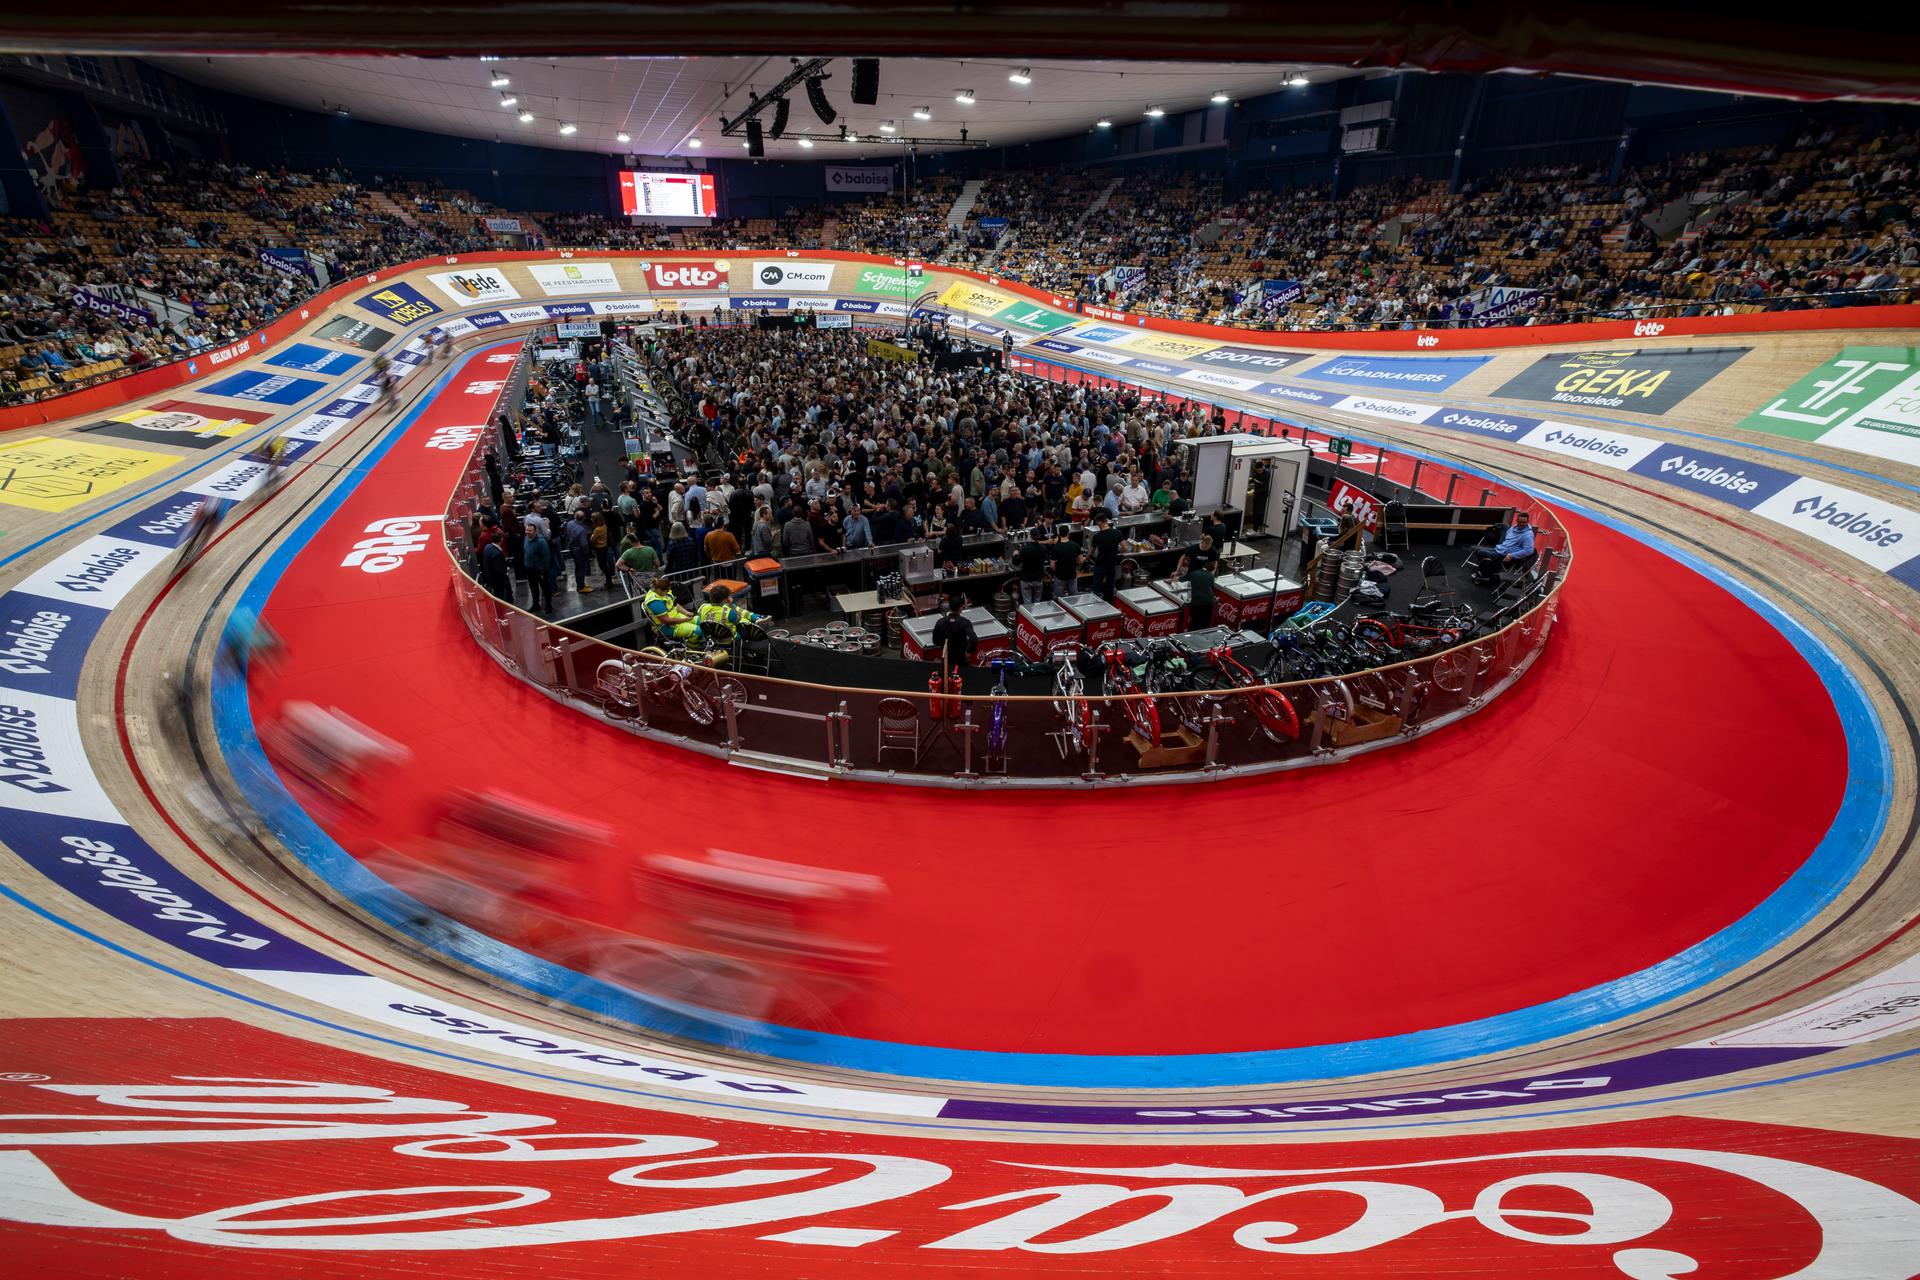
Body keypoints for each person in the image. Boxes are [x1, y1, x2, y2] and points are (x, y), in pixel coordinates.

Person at [1466, 510, 1536, 583]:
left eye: (1524, 522)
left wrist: (1512, 555)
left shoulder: (1528, 535)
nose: (1522, 524)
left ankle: (1485, 575)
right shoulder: (1513, 528)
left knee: (1481, 552)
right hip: (1500, 549)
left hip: (1505, 555)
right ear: (1517, 520)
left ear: (1528, 522)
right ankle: (1484, 571)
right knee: (1479, 551)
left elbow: (1529, 550)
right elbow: (1507, 538)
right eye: (1520, 522)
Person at [641, 574, 700, 642]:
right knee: (697, 631)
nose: (668, 592)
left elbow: (674, 604)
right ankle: (692, 649)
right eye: (666, 591)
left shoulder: (664, 591)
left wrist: (687, 613)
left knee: (700, 621)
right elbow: (667, 621)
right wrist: (685, 620)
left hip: (677, 617)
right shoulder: (654, 602)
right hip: (666, 626)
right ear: (659, 590)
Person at [929, 594, 976, 671]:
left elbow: (935, 641)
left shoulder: (940, 622)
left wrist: (944, 645)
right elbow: (974, 639)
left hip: (946, 659)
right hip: (961, 660)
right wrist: (968, 652)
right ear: (960, 608)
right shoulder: (965, 622)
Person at [1089, 510, 1124, 600]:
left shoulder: (1097, 536)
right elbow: (1125, 547)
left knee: (1096, 587)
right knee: (1110, 587)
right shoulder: (1117, 533)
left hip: (1100, 564)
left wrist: (1085, 559)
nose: (1097, 524)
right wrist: (1115, 551)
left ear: (1100, 522)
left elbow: (1091, 552)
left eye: (1097, 522)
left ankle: (1095, 604)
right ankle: (1110, 605)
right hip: (1111, 564)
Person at [521, 522, 554, 612]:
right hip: (530, 570)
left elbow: (546, 557)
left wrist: (543, 570)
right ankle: (536, 605)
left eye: (530, 531)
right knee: (533, 588)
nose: (527, 532)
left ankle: (548, 605)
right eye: (526, 530)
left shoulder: (541, 542)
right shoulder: (526, 539)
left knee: (545, 588)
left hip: (540, 570)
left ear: (535, 531)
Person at [1017, 525, 1052, 605]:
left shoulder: (1025, 549)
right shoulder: (1043, 548)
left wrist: (1015, 554)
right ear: (1039, 536)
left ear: (1030, 536)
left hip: (1026, 579)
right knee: (1037, 601)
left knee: (1027, 602)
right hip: (1038, 579)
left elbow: (1016, 562)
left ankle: (1028, 617)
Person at [1178, 553, 1215, 630]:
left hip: (1196, 602)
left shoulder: (1194, 573)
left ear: (1203, 567)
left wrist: (1173, 578)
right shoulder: (1211, 576)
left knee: (1195, 623)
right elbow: (1211, 588)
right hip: (1208, 602)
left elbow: (1180, 579)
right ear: (1211, 570)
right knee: (1205, 623)